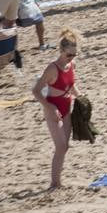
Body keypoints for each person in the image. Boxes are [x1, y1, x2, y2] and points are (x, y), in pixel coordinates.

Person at [33, 32, 78, 189]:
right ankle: (55, 183)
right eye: (69, 54)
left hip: (67, 107)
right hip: (53, 108)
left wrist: (80, 96)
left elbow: (70, 85)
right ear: (61, 50)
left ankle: (57, 181)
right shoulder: (52, 68)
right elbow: (36, 91)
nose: (71, 57)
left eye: (74, 54)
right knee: (60, 146)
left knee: (65, 146)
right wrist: (50, 107)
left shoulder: (71, 65)